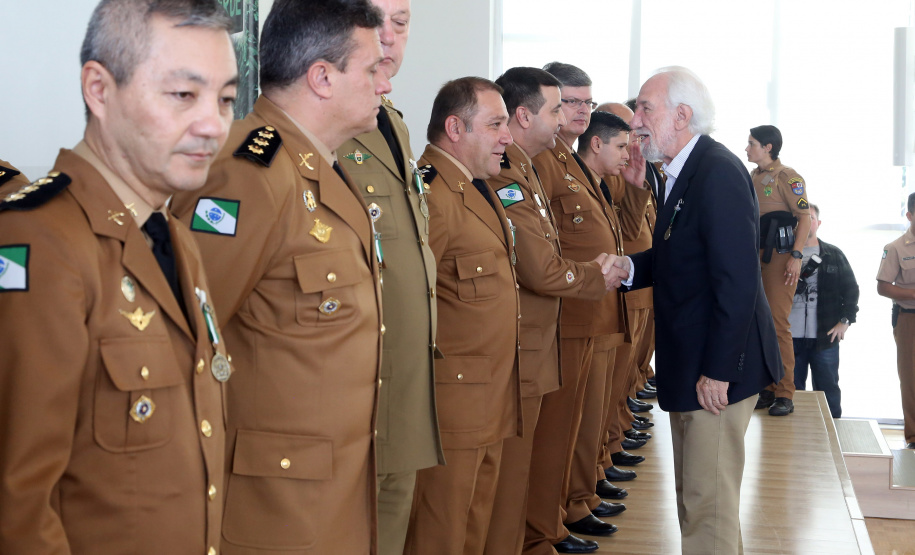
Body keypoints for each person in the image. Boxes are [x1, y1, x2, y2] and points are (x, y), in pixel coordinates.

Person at [0, 1, 237, 553]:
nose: (213, 125)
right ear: (100, 90)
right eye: (183, 95)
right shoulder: (45, 242)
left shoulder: (173, 236)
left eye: (226, 99)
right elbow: (18, 505)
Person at [172, 1, 391, 552]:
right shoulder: (249, 175)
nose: (385, 84)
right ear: (322, 77)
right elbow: (181, 341)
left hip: (330, 491)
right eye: (372, 69)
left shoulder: (320, 168)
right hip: (274, 506)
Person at [603, 66, 782, 554]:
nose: (635, 119)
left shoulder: (717, 171)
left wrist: (719, 371)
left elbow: (737, 280)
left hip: (717, 371)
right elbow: (680, 255)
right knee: (702, 504)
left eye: (645, 108)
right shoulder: (682, 171)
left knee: (707, 506)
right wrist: (629, 268)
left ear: (681, 115)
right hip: (695, 364)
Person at [484, 66, 614, 555]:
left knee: (543, 449)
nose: (569, 117)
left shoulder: (529, 166)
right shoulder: (514, 174)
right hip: (530, 334)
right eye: (560, 107)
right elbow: (539, 265)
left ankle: (545, 528)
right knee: (518, 463)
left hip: (551, 326)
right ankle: (537, 535)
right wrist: (594, 276)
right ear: (524, 115)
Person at [336, 1, 444, 552]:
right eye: (370, 20)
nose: (386, 38)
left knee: (393, 522)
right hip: (342, 406)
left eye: (399, 24)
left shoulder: (392, 123)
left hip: (400, 381)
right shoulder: (319, 133)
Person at [403, 76, 520, 555]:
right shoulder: (431, 194)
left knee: (472, 527)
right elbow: (408, 301)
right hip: (451, 402)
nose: (507, 137)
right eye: (495, 124)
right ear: (455, 127)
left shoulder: (475, 187)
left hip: (488, 396)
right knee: (442, 532)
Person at [525, 62, 627, 554]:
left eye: (588, 102)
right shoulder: (541, 161)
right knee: (556, 431)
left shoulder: (566, 158)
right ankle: (547, 525)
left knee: (574, 425)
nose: (583, 111)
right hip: (564, 314)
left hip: (588, 309)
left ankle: (566, 509)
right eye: (571, 102)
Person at [577, 110, 655, 484]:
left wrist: (637, 187)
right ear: (597, 143)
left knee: (604, 399)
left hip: (614, 298)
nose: (630, 152)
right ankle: (583, 488)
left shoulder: (602, 180)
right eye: (622, 145)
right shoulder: (573, 177)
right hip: (585, 307)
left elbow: (624, 234)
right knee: (585, 411)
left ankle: (593, 475)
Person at [746, 124, 812, 416]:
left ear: (768, 147)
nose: (747, 148)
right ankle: (768, 386)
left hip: (781, 257)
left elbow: (805, 218)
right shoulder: (754, 176)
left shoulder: (788, 177)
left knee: (777, 322)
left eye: (752, 144)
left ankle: (785, 391)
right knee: (758, 321)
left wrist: (797, 256)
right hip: (754, 255)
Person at [790, 203, 859, 418]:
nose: (806, 222)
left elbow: (851, 290)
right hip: (789, 337)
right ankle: (792, 436)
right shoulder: (783, 254)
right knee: (790, 391)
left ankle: (833, 434)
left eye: (810, 218)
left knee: (828, 389)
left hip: (825, 335)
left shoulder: (833, 254)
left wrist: (845, 321)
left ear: (818, 223)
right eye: (802, 218)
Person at [877, 192, 915, 449]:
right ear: (910, 215)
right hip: (908, 319)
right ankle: (913, 437)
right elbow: (883, 287)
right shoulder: (895, 247)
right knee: (911, 378)